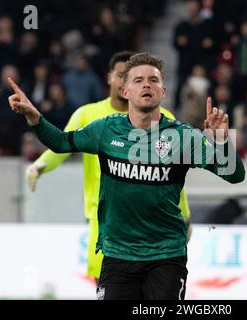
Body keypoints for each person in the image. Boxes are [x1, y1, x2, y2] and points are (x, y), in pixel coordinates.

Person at [8, 52, 245, 300]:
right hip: (117, 255)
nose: (146, 85)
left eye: (153, 80)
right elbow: (60, 142)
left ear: (163, 91)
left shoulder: (182, 136)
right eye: (138, 80)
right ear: (125, 91)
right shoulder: (105, 129)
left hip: (166, 256)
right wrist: (34, 117)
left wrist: (222, 140)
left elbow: (234, 175)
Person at [25, 51, 192, 285]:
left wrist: (184, 213)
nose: (127, 81)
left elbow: (175, 172)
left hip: (154, 222)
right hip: (103, 216)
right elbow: (62, 143)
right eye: (122, 76)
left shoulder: (162, 118)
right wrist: (40, 165)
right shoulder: (88, 115)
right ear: (111, 79)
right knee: (105, 282)